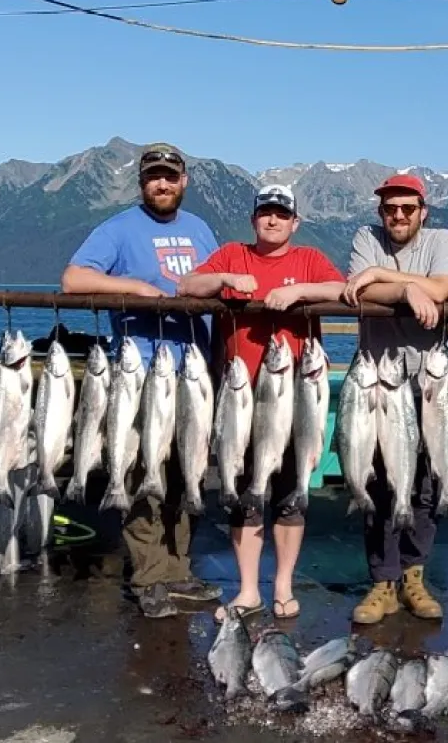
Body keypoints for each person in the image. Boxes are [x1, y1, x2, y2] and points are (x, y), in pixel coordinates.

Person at [61, 143, 223, 619]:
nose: (162, 184)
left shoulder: (201, 230)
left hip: (194, 374)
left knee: (185, 471)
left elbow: (216, 283)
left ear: (184, 181)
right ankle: (148, 577)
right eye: (154, 176)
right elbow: (73, 279)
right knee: (140, 469)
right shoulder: (117, 229)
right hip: (141, 374)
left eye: (170, 176)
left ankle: (179, 572)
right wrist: (135, 287)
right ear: (141, 182)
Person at [177, 184, 346, 622]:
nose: (273, 220)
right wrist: (226, 280)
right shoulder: (233, 254)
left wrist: (299, 293)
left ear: (295, 222)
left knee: (291, 494)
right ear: (253, 219)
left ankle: (284, 587)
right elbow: (187, 286)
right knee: (246, 497)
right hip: (240, 398)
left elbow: (341, 290)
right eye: (265, 213)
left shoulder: (308, 259)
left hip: (295, 396)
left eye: (281, 214)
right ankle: (248, 589)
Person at [342, 173, 448, 625]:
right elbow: (362, 289)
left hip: (429, 387)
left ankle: (414, 575)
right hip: (377, 385)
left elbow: (444, 288)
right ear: (380, 212)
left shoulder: (442, 239)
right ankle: (382, 581)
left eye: (407, 208)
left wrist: (383, 275)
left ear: (422, 212)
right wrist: (409, 287)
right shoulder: (364, 237)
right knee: (377, 481)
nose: (398, 215)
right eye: (390, 208)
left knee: (427, 484)